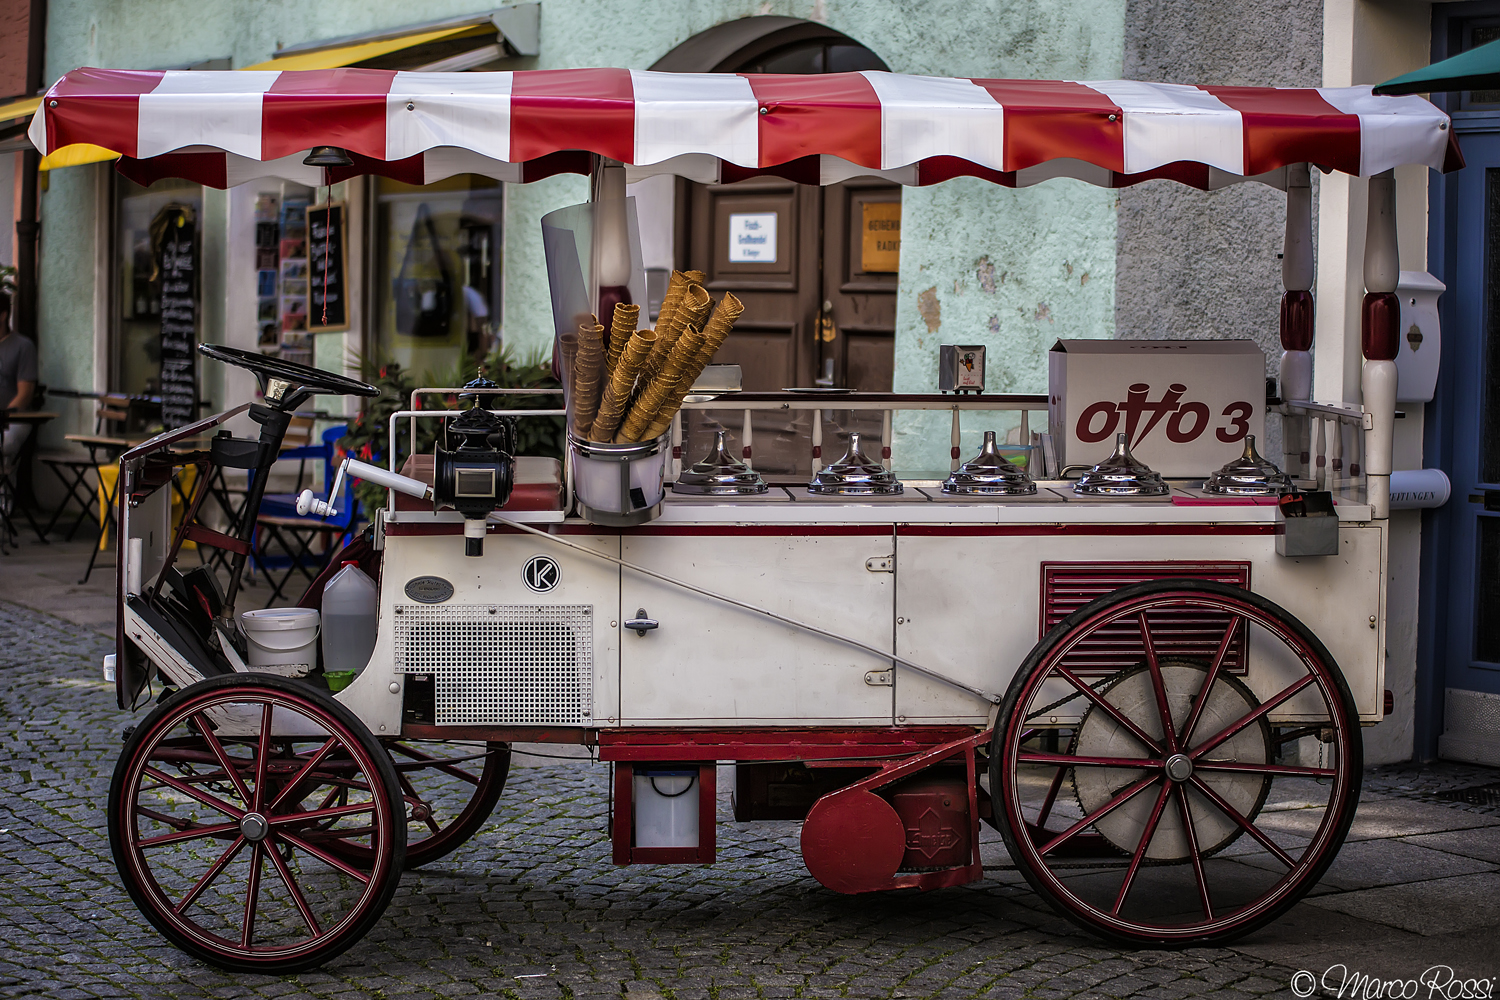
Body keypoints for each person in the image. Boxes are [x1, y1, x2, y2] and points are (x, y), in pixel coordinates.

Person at [1, 290, 39, 470]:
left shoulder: (23, 346)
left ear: (3, 315)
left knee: (3, 452)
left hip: (14, 419)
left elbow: (25, 394)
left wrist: (3, 418)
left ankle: (4, 497)